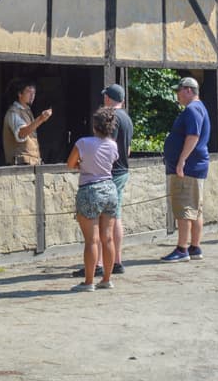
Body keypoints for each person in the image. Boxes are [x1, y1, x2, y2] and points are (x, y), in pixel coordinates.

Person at [74, 83, 133, 277]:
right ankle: (116, 261)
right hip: (123, 169)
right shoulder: (127, 118)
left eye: (105, 97)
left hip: (110, 173)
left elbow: (105, 145)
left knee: (104, 221)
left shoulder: (111, 118)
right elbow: (128, 148)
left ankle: (99, 263)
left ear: (108, 98)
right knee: (116, 216)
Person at [66, 106, 119, 291]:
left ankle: (88, 282)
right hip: (110, 189)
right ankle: (106, 279)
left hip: (89, 189)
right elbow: (111, 162)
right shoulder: (113, 145)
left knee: (92, 240)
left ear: (95, 125)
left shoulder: (83, 143)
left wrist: (83, 165)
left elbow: (70, 164)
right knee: (108, 239)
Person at [160, 76, 210, 263]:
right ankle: (195, 247)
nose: (177, 95)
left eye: (178, 91)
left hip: (188, 168)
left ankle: (182, 249)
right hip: (194, 166)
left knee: (184, 209)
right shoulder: (198, 108)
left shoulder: (192, 109)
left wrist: (181, 160)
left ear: (189, 90)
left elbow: (193, 136)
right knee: (196, 209)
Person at [2, 80, 52, 166]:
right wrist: (41, 119)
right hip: (20, 165)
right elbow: (21, 133)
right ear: (20, 94)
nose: (32, 96)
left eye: (34, 93)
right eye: (29, 92)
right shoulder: (13, 112)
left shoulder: (27, 111)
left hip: (31, 164)